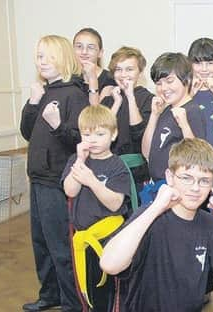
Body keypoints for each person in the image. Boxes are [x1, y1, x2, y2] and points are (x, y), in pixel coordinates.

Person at [100, 138, 213, 312]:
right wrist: (155, 208)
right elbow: (109, 264)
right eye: (186, 178)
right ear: (170, 177)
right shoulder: (150, 217)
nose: (195, 188)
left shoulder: (210, 225)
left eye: (204, 181)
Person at [20, 34, 87, 312]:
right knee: (41, 243)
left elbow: (80, 140)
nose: (42, 61)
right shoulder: (43, 92)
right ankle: (50, 295)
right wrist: (33, 104)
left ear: (64, 59)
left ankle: (72, 303)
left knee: (60, 247)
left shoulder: (74, 94)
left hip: (57, 182)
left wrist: (58, 124)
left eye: (48, 56)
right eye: (39, 56)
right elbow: (26, 131)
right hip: (37, 179)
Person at [62, 105, 130, 311]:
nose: (92, 140)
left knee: (110, 291)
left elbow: (116, 203)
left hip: (109, 236)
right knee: (87, 289)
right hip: (84, 237)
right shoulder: (76, 160)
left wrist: (92, 181)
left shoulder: (117, 165)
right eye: (86, 134)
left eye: (100, 134)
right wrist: (80, 162)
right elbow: (70, 191)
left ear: (113, 134)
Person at [140, 52, 209, 204]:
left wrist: (184, 125)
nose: (164, 88)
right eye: (159, 83)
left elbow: (199, 159)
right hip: (158, 188)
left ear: (187, 80)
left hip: (177, 193)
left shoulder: (192, 111)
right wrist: (154, 115)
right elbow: (146, 152)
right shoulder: (165, 110)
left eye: (169, 81)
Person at [101, 46, 154, 192]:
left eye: (129, 69)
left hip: (136, 173)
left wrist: (130, 97)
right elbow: (100, 133)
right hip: (108, 171)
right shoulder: (108, 101)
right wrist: (117, 103)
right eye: (118, 69)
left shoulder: (148, 99)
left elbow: (139, 134)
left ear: (140, 72)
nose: (123, 74)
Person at [188, 37, 213, 150]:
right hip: (190, 159)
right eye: (198, 63)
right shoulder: (183, 92)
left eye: (210, 63)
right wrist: (188, 97)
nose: (204, 69)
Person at [73, 27, 116, 105]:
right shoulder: (67, 77)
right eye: (79, 46)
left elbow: (96, 115)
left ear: (100, 53)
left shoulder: (110, 79)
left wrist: (92, 78)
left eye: (90, 47)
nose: (84, 52)